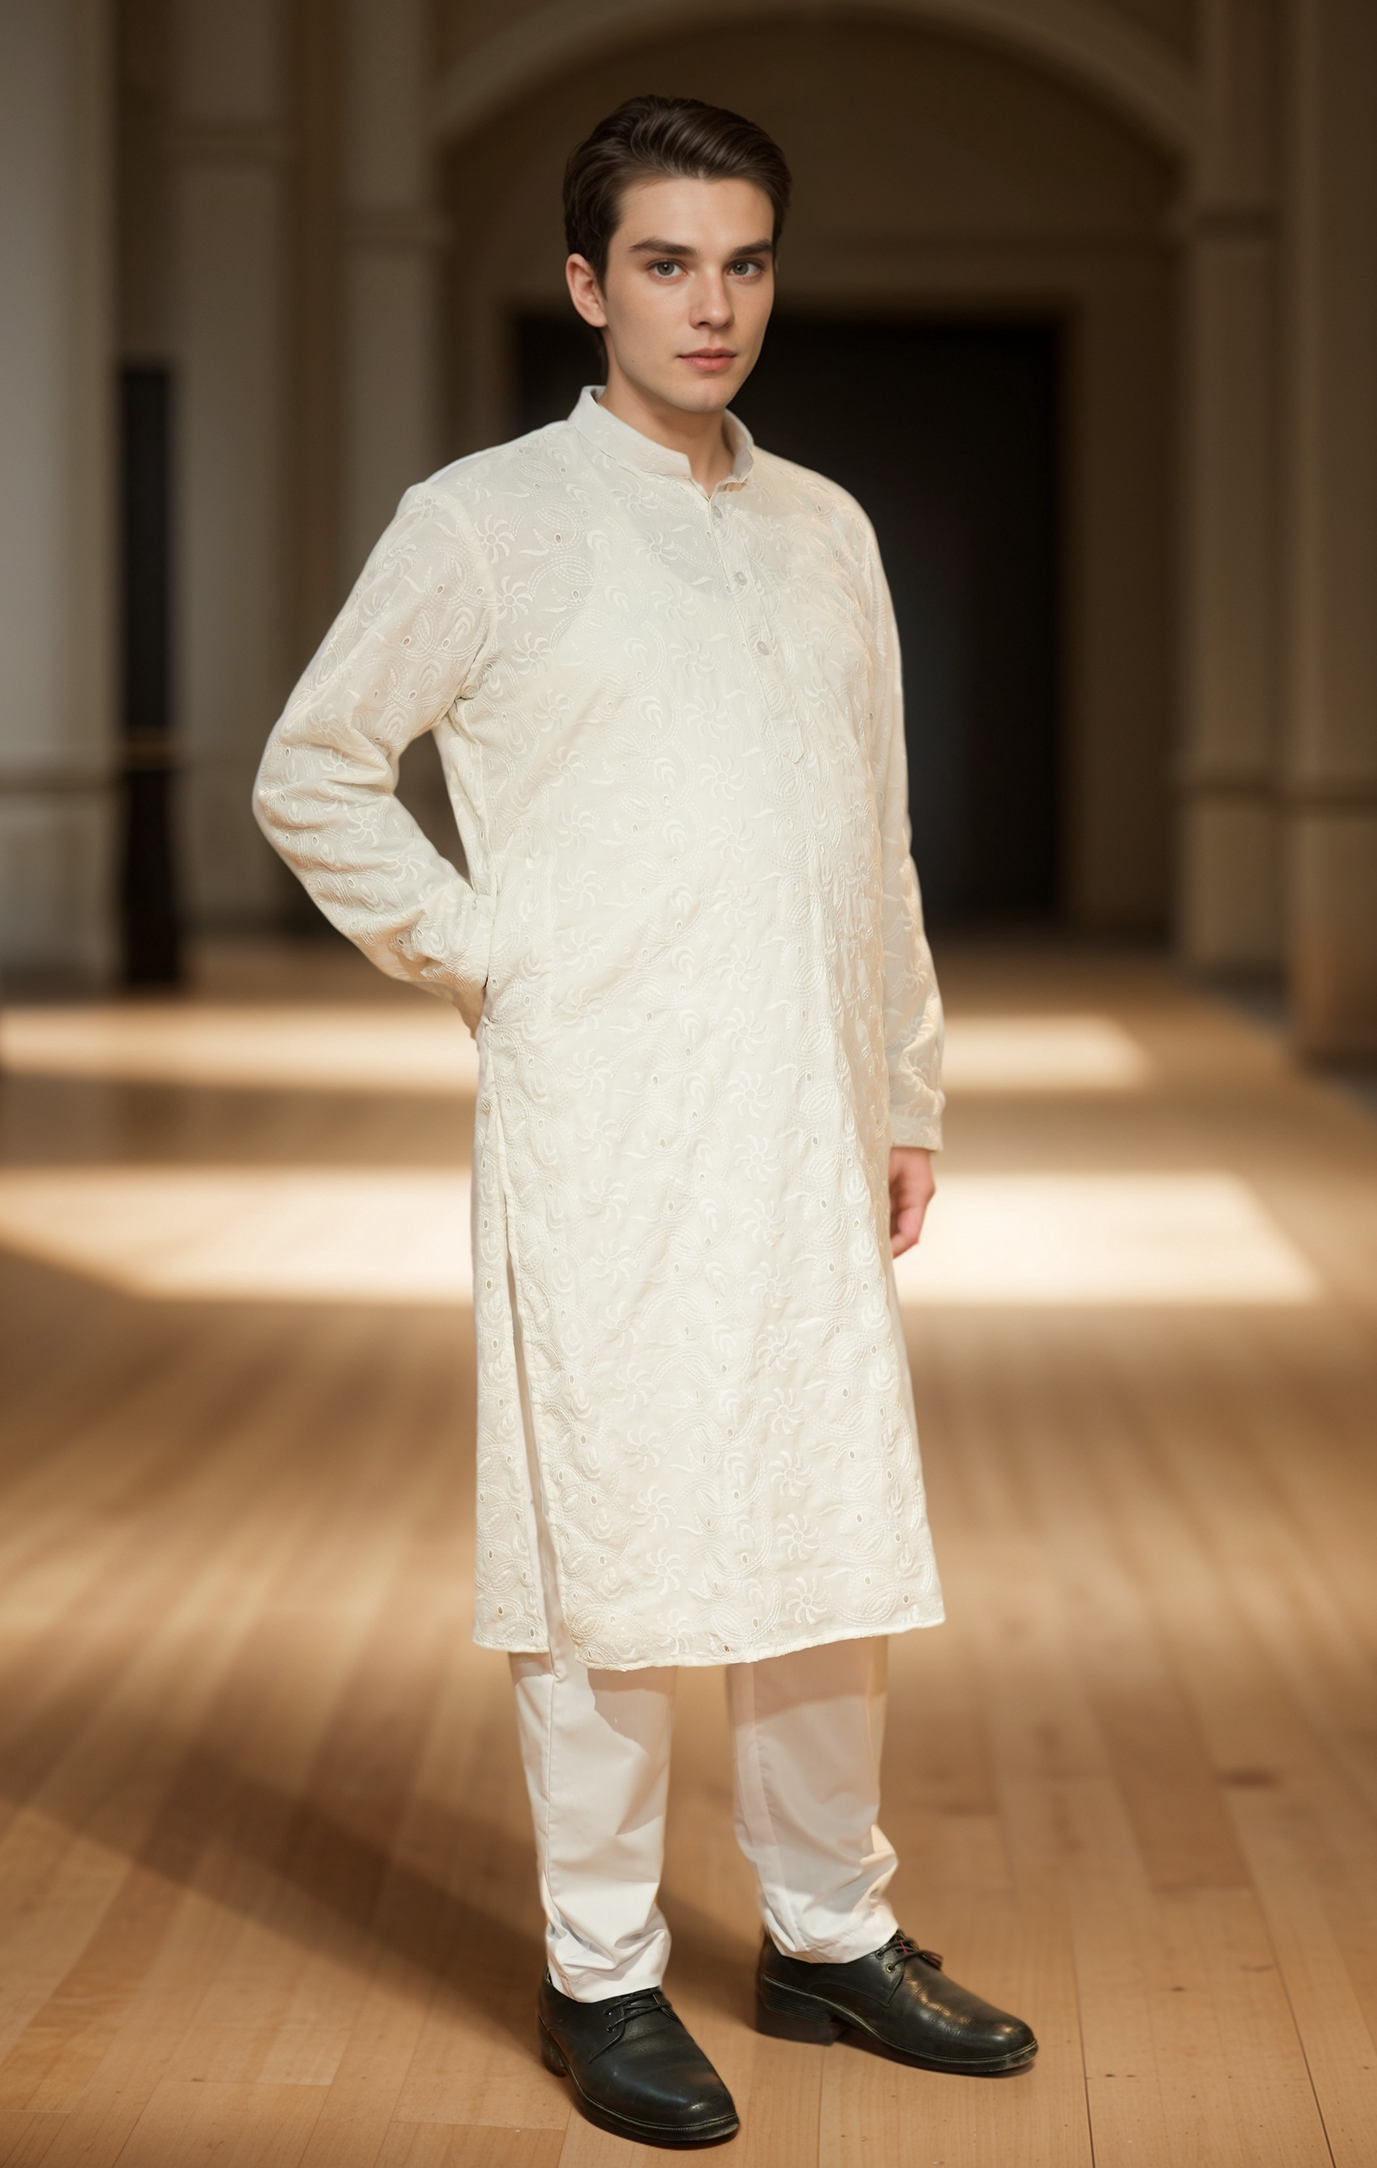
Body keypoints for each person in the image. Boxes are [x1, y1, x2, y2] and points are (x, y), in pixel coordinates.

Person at [254, 93, 1035, 2149]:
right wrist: (484, 954)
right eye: (668, 263)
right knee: (602, 1543)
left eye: (744, 262)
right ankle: (599, 1970)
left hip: (802, 1110)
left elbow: (874, 838)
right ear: (588, 284)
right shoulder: (481, 522)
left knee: (818, 1525)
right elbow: (312, 765)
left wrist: (903, 1083)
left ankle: (826, 1932)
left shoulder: (826, 528)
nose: (712, 303)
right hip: (598, 1113)